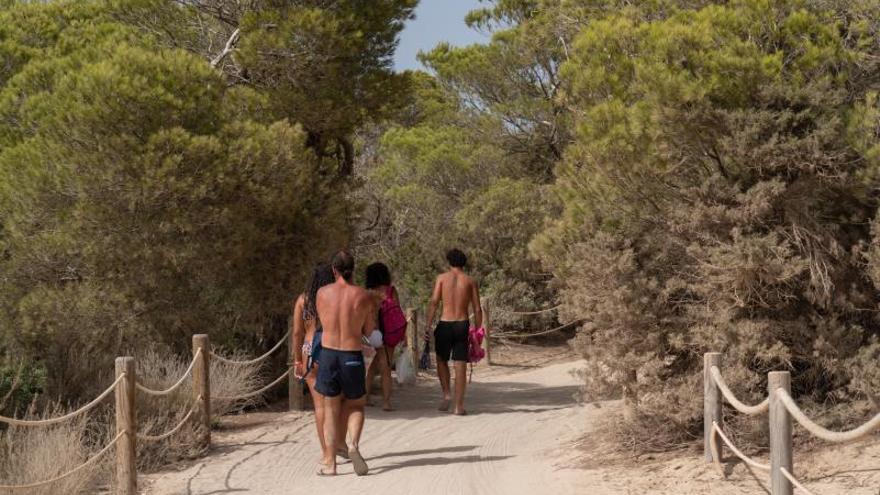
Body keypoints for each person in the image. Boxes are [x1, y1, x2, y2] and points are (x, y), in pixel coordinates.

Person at [315, 250, 382, 476]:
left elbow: (322, 322)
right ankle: (352, 444)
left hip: (328, 354)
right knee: (355, 405)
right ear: (353, 270)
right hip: (351, 355)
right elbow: (369, 330)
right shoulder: (362, 296)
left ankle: (330, 464)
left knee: (330, 408)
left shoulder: (322, 293)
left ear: (333, 270)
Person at [290, 263, 350, 462]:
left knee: (319, 407)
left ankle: (326, 452)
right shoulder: (333, 297)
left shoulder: (303, 300)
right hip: (330, 348)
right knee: (338, 402)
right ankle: (339, 444)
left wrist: (297, 359)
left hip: (309, 351)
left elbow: (297, 332)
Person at [425, 248, 482, 416]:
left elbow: (434, 302)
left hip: (445, 323)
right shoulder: (470, 281)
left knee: (441, 360)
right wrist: (478, 332)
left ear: (449, 262)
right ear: (464, 263)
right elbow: (478, 309)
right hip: (462, 324)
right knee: (460, 365)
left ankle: (446, 395)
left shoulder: (441, 279)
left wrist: (428, 325)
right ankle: (459, 406)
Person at [364, 262, 406, 412]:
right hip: (388, 333)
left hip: (371, 333)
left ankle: (366, 398)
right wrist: (403, 335)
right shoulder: (391, 291)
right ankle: (386, 402)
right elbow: (398, 312)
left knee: (369, 367)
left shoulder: (367, 293)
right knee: (385, 367)